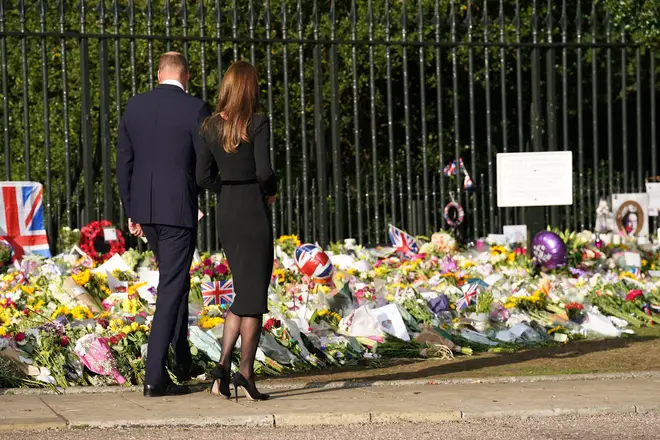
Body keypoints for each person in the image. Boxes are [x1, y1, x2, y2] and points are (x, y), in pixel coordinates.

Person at [116, 52, 210, 397]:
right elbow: (203, 164)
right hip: (177, 210)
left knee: (177, 280)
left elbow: (123, 162)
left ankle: (181, 360)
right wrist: (197, 192)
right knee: (173, 284)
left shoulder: (135, 106)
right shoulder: (196, 108)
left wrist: (132, 209)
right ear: (186, 75)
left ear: (159, 74)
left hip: (145, 209)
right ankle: (155, 375)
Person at [196, 61, 277, 402]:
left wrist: (225, 186)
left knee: (244, 291)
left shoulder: (209, 126)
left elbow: (202, 176)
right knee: (253, 295)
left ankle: (222, 367)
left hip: (228, 207)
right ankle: (244, 372)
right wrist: (271, 189)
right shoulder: (257, 122)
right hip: (252, 208)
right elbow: (264, 171)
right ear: (250, 88)